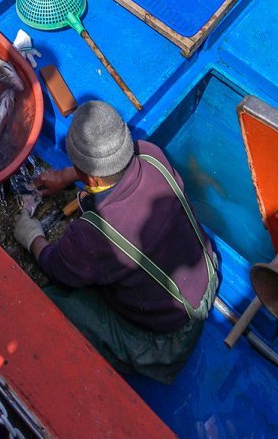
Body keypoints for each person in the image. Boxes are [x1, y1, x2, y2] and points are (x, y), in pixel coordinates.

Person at [14, 101, 218, 383]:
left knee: (56, 297)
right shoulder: (151, 154)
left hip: (169, 340)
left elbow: (54, 265)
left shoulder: (93, 235)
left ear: (92, 174)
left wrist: (31, 235)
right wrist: (67, 175)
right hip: (208, 274)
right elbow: (112, 170)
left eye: (76, 164)